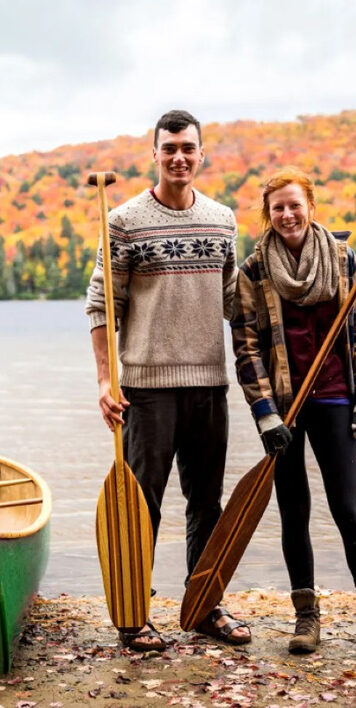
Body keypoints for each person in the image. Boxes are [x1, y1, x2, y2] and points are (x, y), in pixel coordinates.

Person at [86, 110, 251, 650]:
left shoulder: (223, 219)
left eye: (189, 148)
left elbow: (233, 302)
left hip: (209, 381)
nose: (179, 157)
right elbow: (100, 305)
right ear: (154, 155)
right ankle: (134, 612)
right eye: (169, 148)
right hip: (147, 387)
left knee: (206, 501)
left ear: (202, 155)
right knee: (144, 503)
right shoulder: (125, 220)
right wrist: (106, 382)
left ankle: (204, 604)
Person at [231, 167, 356, 658]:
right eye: (278, 207)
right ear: (268, 213)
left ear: (310, 206)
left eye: (294, 204)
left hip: (335, 398)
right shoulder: (255, 271)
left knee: (347, 507)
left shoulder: (346, 261)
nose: (287, 214)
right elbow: (247, 348)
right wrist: (265, 415)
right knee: (294, 510)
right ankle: (306, 617)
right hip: (283, 408)